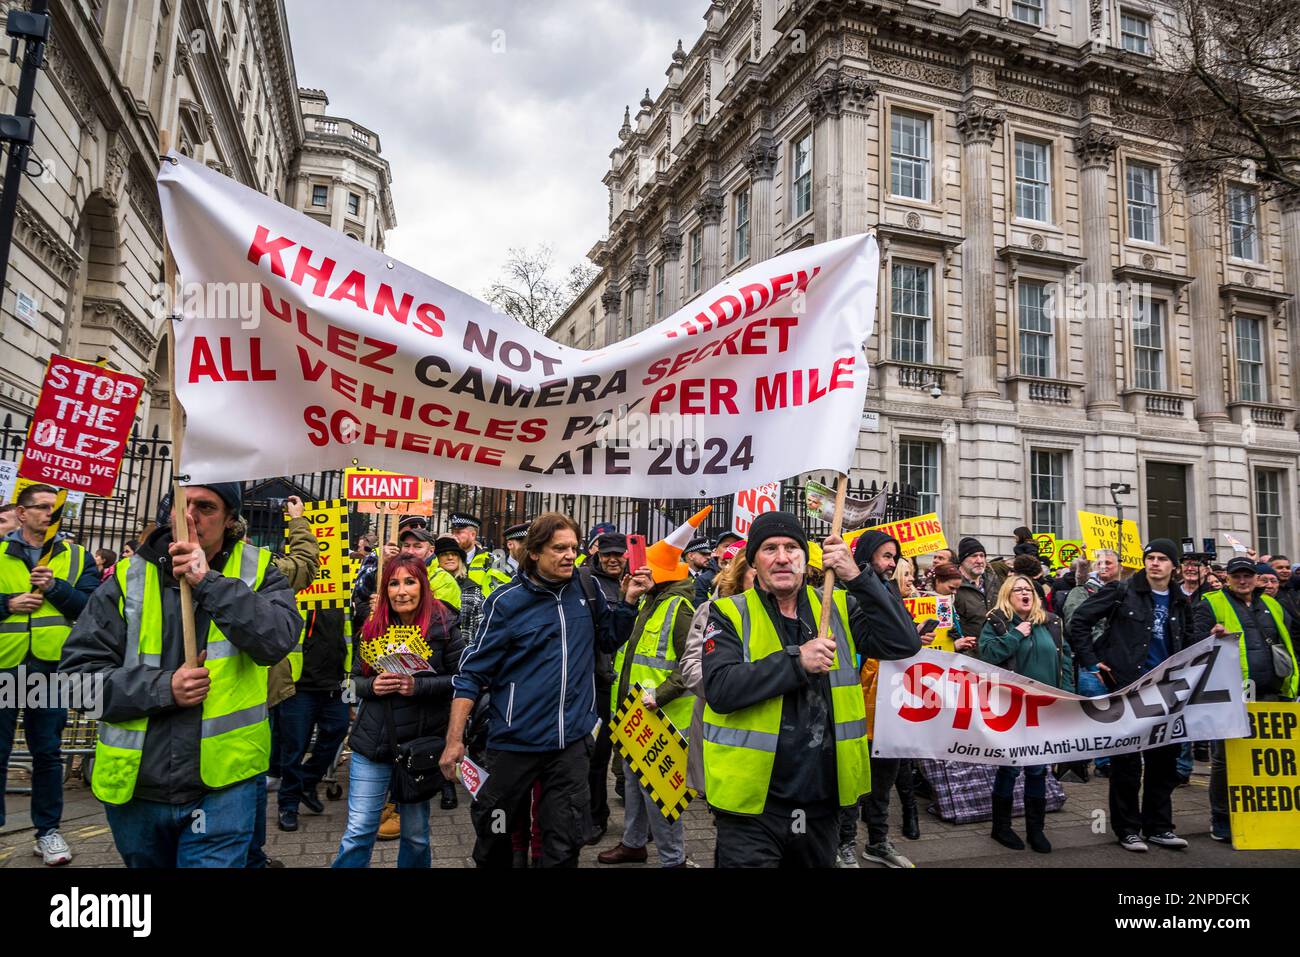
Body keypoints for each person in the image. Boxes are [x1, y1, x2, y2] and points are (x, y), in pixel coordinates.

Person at [60, 483, 302, 867]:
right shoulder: (126, 578)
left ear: (229, 520)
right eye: (181, 505)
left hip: (222, 787)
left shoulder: (258, 571)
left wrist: (208, 584)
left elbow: (275, 641)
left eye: (205, 507)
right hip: (138, 788)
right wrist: (163, 688)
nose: (190, 517)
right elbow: (75, 685)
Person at [700, 511, 920, 868]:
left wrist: (857, 576)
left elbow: (903, 643)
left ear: (805, 557)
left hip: (821, 800)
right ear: (754, 560)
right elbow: (721, 689)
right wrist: (796, 662)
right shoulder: (728, 613)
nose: (783, 557)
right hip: (752, 805)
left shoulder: (839, 608)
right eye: (770, 548)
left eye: (791, 547)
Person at [441, 512, 647, 868]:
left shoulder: (586, 589)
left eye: (574, 548)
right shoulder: (506, 602)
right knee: (496, 832)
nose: (570, 555)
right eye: (559, 548)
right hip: (514, 743)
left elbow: (609, 639)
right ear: (534, 552)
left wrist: (628, 603)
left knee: (563, 843)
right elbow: (471, 673)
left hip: (570, 747)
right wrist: (454, 740)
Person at [333, 556, 462, 868]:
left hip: (419, 749)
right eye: (393, 583)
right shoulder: (372, 626)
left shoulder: (444, 625)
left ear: (423, 586)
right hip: (373, 743)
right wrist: (370, 687)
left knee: (416, 834)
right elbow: (348, 685)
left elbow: (464, 681)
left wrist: (419, 687)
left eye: (409, 581)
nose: (401, 591)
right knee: (360, 830)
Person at [1067, 539, 1192, 853]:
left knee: (1163, 762)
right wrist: (1090, 659)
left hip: (1166, 691)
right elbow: (1080, 621)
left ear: (1173, 566)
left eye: (1163, 558)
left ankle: (1159, 827)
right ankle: (1127, 829)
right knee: (1126, 763)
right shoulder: (1123, 590)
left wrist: (1214, 638)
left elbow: (1189, 639)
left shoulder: (1180, 600)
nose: (1155, 564)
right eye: (1151, 558)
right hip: (1126, 686)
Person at [0, 484, 100, 865]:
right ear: (22, 514)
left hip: (50, 668)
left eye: (53, 508)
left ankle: (48, 832)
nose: (49, 513)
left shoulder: (76, 556)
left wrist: (54, 587)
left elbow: (91, 607)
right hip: (5, 665)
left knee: (47, 752)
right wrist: (8, 603)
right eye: (42, 507)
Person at [598, 514, 700, 867]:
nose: (640, 572)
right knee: (632, 781)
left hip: (663, 716)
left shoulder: (679, 606)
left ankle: (673, 858)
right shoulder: (649, 600)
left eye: (647, 569)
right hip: (636, 713)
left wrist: (661, 695)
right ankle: (633, 843)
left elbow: (692, 663)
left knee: (659, 793)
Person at [1192, 556, 1298, 842]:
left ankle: (1264, 818)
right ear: (1227, 577)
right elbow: (1194, 639)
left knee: (1267, 759)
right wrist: (1209, 635)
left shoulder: (1273, 604)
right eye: (1237, 575)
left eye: (1247, 575)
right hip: (1231, 693)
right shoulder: (1212, 603)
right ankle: (1222, 818)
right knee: (1226, 760)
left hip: (1273, 693)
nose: (1242, 580)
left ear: (1255, 578)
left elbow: (1290, 638)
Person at [978, 574, 1074, 853]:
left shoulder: (1051, 623)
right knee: (1009, 768)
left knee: (1037, 769)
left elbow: (1064, 660)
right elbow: (987, 654)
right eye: (1018, 590)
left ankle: (1036, 830)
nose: (1025, 593)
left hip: (1043, 707)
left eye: (1028, 589)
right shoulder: (996, 622)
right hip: (1011, 708)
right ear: (1007, 596)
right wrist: (1015, 634)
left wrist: (1065, 694)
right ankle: (1001, 828)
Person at [851, 530, 923, 869]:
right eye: (885, 555)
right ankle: (845, 843)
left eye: (894, 556)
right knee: (853, 782)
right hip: (859, 705)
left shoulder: (891, 594)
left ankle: (877, 842)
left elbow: (901, 641)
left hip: (891, 708)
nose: (891, 562)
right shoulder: (850, 595)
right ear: (866, 557)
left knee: (883, 782)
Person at [581, 531, 627, 833]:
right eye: (607, 554)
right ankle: (595, 817)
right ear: (597, 553)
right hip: (598, 681)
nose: (612, 559)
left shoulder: (638, 580)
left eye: (618, 554)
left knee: (631, 756)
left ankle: (639, 822)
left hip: (629, 682)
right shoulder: (586, 580)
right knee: (596, 756)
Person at [954, 536, 1002, 650]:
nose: (979, 561)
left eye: (982, 556)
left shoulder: (994, 581)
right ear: (962, 560)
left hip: (995, 650)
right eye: (974, 556)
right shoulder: (952, 585)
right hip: (968, 655)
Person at [435, 536, 485, 642]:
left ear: (460, 559)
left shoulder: (471, 588)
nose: (450, 558)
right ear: (437, 559)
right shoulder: (429, 585)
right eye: (444, 554)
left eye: (454, 554)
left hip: (464, 648)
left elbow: (481, 625)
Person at [450, 513, 510, 595]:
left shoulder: (494, 560)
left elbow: (502, 592)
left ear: (472, 535)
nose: (454, 536)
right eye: (452, 532)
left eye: (458, 532)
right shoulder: (445, 559)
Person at [686, 536, 717, 605]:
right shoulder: (679, 576)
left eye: (709, 554)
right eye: (704, 554)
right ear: (691, 556)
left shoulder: (712, 575)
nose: (709, 557)